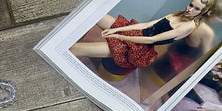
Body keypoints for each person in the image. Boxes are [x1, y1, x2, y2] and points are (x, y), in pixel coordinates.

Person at [71, 1, 217, 71]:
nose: (190, 9)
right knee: (94, 14)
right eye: (191, 4)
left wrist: (119, 36)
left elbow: (151, 39)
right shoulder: (177, 14)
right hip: (136, 34)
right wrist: (119, 29)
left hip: (139, 46)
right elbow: (146, 25)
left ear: (203, 12)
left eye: (196, 9)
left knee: (76, 49)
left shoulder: (188, 26)